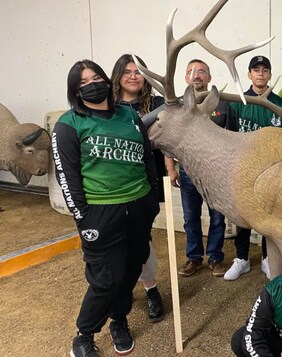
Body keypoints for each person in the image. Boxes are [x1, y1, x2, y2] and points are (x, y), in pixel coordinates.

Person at [53, 59, 160, 357]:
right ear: (75, 90)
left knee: (129, 271)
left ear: (106, 80)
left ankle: (119, 321)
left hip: (138, 206)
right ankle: (84, 334)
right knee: (105, 279)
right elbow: (67, 176)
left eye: (96, 77)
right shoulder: (68, 124)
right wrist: (82, 217)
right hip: (100, 212)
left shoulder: (128, 115)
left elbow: (147, 157)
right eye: (84, 82)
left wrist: (152, 199)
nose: (92, 84)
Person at [111, 54, 165, 323]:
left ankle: (150, 288)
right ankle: (124, 285)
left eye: (138, 71)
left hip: (144, 180)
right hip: (112, 184)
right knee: (116, 239)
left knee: (141, 237)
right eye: (127, 71)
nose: (133, 76)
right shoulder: (106, 106)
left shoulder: (156, 103)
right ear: (117, 75)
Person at [224, 55, 282, 281]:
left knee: (268, 217)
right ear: (249, 74)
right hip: (243, 169)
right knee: (242, 217)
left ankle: (265, 258)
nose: (261, 73)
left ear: (270, 74)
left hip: (271, 172)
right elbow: (229, 137)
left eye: (265, 69)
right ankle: (241, 259)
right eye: (256, 69)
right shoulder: (237, 101)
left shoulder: (280, 105)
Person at [165, 59, 230, 278]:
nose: (197, 75)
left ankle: (215, 258)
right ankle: (194, 258)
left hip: (216, 173)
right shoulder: (176, 106)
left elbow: (231, 137)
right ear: (185, 77)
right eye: (191, 71)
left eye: (202, 71)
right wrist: (171, 168)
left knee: (218, 218)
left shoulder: (220, 104)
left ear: (209, 77)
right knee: (190, 217)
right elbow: (169, 138)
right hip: (187, 171)